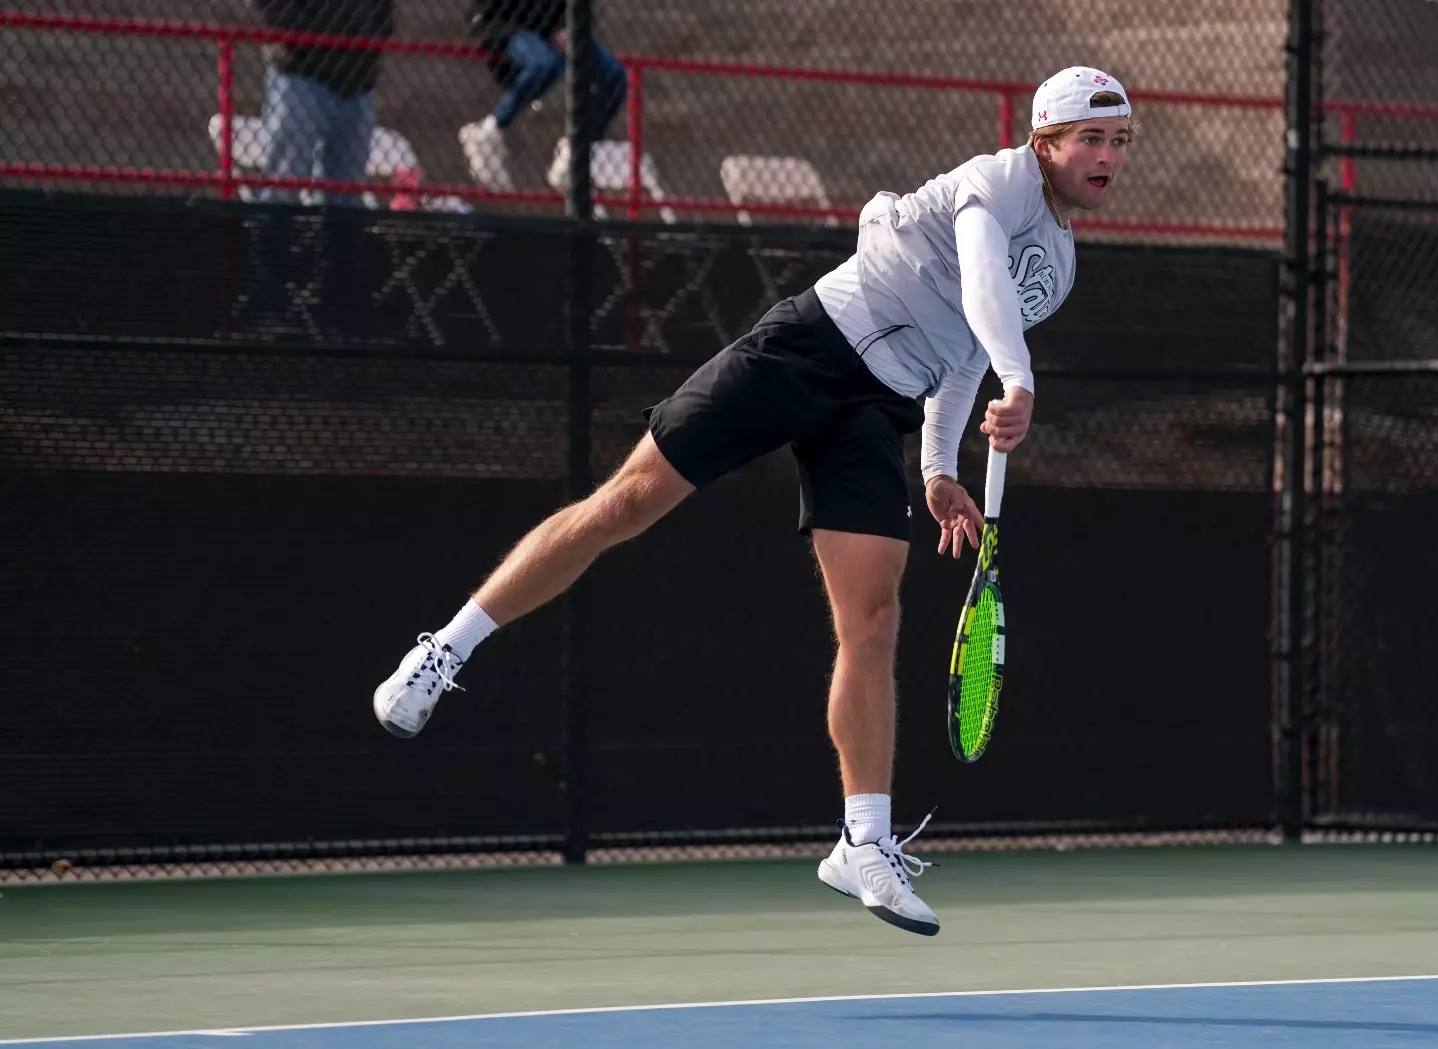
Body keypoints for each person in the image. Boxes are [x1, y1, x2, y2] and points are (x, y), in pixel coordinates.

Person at [376, 67, 1137, 936]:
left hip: (874, 413)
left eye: (1118, 142)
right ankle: (445, 649)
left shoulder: (1061, 264)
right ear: (1044, 143)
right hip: (805, 347)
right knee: (626, 504)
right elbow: (977, 286)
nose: (1107, 156)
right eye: (1090, 138)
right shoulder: (993, 181)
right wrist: (1022, 374)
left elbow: (965, 347)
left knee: (875, 618)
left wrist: (935, 465)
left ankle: (863, 841)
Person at [459, 0, 630, 190]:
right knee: (544, 64)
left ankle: (576, 151)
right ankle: (489, 130)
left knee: (615, 76)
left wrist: (566, 26)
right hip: (508, 24)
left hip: (551, 25)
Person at [252, 0, 394, 206]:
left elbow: (384, 9)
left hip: (356, 75)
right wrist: (304, 35)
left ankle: (337, 238)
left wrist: (373, 40)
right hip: (300, 69)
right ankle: (270, 236)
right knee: (284, 181)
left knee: (347, 190)